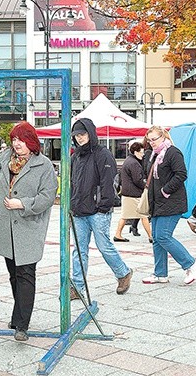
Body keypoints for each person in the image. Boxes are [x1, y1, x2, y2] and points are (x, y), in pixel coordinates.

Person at [0, 122, 57, 342]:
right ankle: (18, 314)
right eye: (14, 140)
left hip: (29, 228)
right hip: (6, 228)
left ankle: (22, 324)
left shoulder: (44, 165)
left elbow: (47, 196)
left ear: (31, 141)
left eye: (21, 139)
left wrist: (22, 203)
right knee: (14, 274)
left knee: (25, 274)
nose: (17, 144)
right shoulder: (3, 160)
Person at [70, 118, 133, 299]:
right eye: (77, 136)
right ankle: (77, 287)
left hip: (98, 210)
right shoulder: (75, 157)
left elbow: (109, 182)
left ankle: (123, 272)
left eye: (82, 134)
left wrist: (104, 205)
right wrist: (71, 205)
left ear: (90, 133)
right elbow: (72, 183)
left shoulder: (102, 154)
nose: (80, 138)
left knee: (104, 245)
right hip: (79, 210)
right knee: (79, 250)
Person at [141, 126, 196, 285]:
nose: (152, 143)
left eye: (154, 139)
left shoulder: (172, 152)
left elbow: (181, 174)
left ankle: (191, 264)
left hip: (171, 202)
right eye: (149, 140)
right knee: (156, 238)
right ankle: (160, 273)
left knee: (163, 236)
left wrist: (165, 190)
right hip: (157, 203)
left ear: (163, 137)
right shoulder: (154, 155)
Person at [113, 141, 152, 243]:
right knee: (144, 215)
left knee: (125, 216)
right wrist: (146, 187)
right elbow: (137, 180)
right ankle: (151, 236)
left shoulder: (128, 160)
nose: (143, 155)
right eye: (141, 152)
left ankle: (118, 234)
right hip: (134, 194)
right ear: (135, 152)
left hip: (127, 193)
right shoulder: (134, 163)